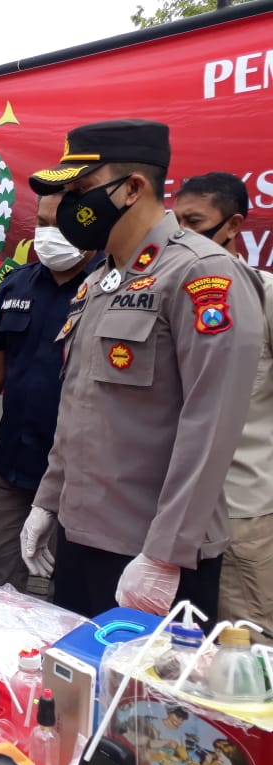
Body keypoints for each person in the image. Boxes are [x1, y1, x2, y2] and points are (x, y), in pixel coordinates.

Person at [21, 120, 264, 622]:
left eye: (80, 191)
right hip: (82, 534)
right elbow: (79, 407)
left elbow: (212, 424)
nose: (69, 206)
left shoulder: (201, 273)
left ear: (132, 188)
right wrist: (49, 500)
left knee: (147, 678)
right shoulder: (99, 280)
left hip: (151, 551)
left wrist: (164, 554)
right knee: (77, 669)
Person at [0, 193, 101, 591]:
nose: (48, 234)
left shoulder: (110, 289)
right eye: (42, 223)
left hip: (80, 478)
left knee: (74, 592)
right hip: (11, 465)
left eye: (60, 224)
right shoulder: (15, 285)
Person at [173, 172, 273, 636]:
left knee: (242, 648)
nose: (180, 235)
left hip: (240, 512)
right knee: (170, 648)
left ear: (232, 225)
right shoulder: (169, 296)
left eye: (194, 222)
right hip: (170, 513)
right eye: (174, 222)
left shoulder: (263, 295)